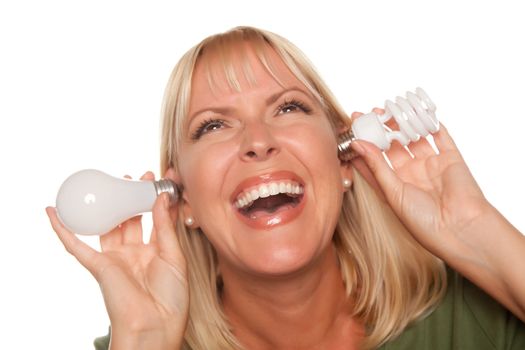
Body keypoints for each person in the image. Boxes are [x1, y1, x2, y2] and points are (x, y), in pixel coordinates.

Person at [46, 26, 525, 350]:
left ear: (345, 160)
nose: (258, 142)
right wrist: (147, 339)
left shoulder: (476, 315)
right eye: (212, 126)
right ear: (182, 198)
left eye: (289, 108)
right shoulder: (139, 340)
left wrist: (474, 231)